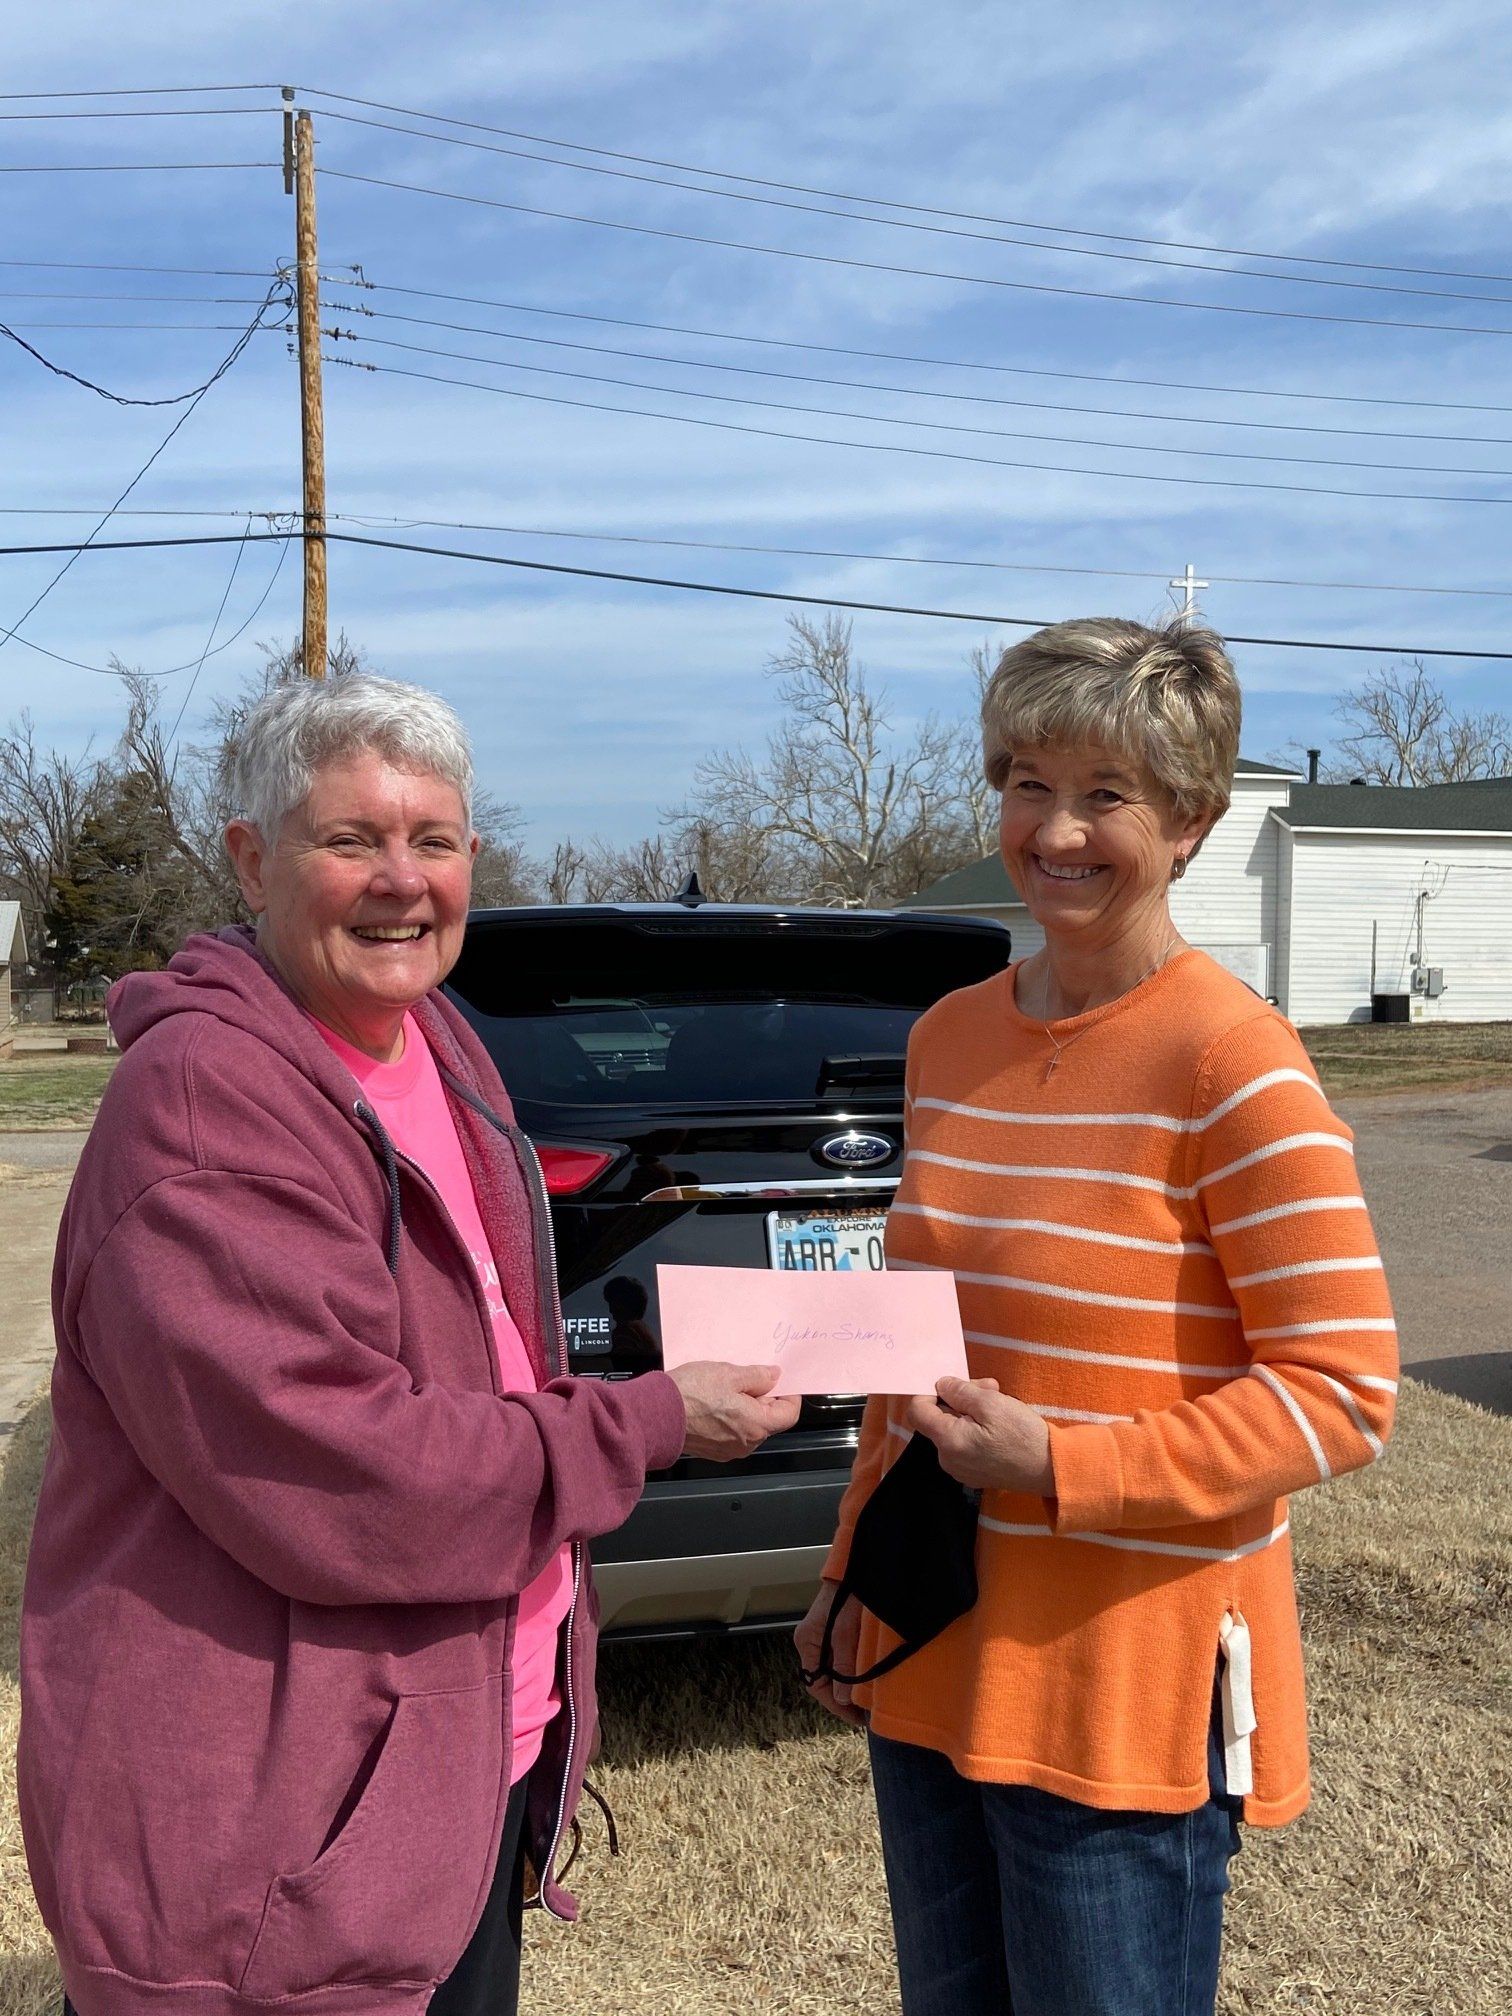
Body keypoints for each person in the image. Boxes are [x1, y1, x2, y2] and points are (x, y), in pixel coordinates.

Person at [19, 673, 798, 2016]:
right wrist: (652, 1422)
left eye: (433, 841)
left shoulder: (433, 1041)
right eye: (351, 840)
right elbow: (345, 1474)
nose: (401, 881)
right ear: (253, 858)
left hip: (442, 1769)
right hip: (272, 1845)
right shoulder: (209, 1103)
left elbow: (489, 1358)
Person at [796, 618, 1397, 2016]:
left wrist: (1064, 1463)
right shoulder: (950, 1037)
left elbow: (1343, 1392)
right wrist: (845, 1572)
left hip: (1120, 1693)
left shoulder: (1232, 1059)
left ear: (1190, 821)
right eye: (1026, 782)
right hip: (933, 1647)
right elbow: (913, 1345)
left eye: (1106, 795)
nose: (1056, 830)